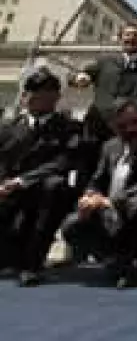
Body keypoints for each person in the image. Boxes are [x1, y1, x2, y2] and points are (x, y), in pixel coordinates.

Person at [62, 98, 137, 288]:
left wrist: (107, 201)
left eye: (134, 123)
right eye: (122, 126)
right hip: (106, 210)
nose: (129, 130)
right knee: (72, 224)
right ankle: (113, 260)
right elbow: (97, 180)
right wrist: (89, 196)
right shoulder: (110, 146)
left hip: (136, 207)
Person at [0, 68, 84, 286]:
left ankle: (32, 264)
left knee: (53, 188)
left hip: (43, 189)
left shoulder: (68, 128)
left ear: (55, 98)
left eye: (43, 93)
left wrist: (22, 181)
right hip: (8, 188)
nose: (33, 98)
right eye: (31, 92)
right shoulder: (8, 127)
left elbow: (64, 161)